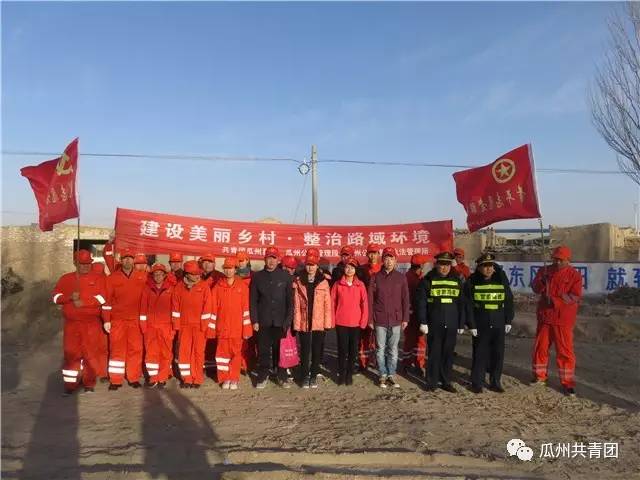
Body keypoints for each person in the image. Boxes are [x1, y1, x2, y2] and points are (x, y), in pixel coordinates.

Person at [52, 249, 107, 395]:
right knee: (71, 354)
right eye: (82, 264)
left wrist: (84, 302)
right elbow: (55, 297)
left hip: (91, 324)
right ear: (75, 263)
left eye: (88, 263)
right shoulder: (65, 279)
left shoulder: (99, 278)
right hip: (72, 325)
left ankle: (89, 383)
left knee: (90, 354)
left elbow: (103, 297)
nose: (85, 266)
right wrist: (69, 297)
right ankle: (70, 384)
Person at [531, 246, 582, 396]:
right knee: (540, 348)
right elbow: (535, 288)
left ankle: (567, 382)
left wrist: (556, 301)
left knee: (565, 351)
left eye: (561, 260)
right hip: (545, 317)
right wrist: (542, 281)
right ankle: (539, 377)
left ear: (568, 260)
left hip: (563, 319)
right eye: (555, 259)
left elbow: (575, 296)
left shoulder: (574, 275)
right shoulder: (544, 271)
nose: (557, 262)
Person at [416, 251, 468, 393]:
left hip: (451, 323)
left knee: (448, 353)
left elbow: (461, 303)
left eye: (447, 265)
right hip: (434, 323)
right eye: (442, 264)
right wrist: (423, 321)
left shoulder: (457, 280)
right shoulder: (428, 280)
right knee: (434, 353)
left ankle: (446, 381)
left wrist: (461, 323)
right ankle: (432, 382)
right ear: (436, 264)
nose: (444, 268)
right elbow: (421, 302)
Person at [464, 253, 514, 393]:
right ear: (479, 267)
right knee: (480, 354)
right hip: (481, 322)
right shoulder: (472, 281)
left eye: (491, 266)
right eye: (485, 266)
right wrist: (471, 324)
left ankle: (495, 382)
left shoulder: (500, 279)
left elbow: (508, 299)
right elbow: (468, 305)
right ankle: (477, 383)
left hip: (498, 321)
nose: (488, 269)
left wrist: (508, 320)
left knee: (498, 354)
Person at [102, 248, 148, 390]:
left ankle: (133, 377)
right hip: (118, 320)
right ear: (121, 260)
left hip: (135, 321)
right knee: (117, 350)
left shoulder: (143, 277)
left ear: (134, 260)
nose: (128, 260)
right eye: (125, 258)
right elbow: (107, 301)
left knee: (136, 349)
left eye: (130, 258)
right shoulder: (112, 278)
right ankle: (116, 380)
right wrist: (106, 320)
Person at [249, 247, 294, 389]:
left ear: (278, 260)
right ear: (264, 259)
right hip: (264, 320)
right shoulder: (257, 277)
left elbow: (290, 301)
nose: (271, 261)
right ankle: (263, 375)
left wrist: (288, 320)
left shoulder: (285, 276)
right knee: (263, 350)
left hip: (280, 321)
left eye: (274, 258)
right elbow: (253, 300)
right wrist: (255, 320)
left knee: (279, 350)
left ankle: (281, 375)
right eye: (269, 258)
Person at [368, 247, 410, 389]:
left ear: (395, 260)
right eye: (386, 258)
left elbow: (405, 299)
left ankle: (391, 373)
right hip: (380, 319)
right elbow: (370, 299)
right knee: (380, 349)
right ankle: (382, 373)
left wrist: (405, 318)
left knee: (393, 349)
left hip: (396, 319)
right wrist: (370, 319)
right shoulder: (375, 277)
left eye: (391, 258)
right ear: (382, 260)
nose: (389, 261)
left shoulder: (401, 277)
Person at [210, 257, 253, 390]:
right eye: (226, 268)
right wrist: (211, 328)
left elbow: (246, 310)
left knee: (236, 354)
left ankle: (234, 378)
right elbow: (212, 309)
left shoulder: (242, 287)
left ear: (235, 269)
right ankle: (224, 378)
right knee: (222, 355)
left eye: (231, 268)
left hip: (237, 329)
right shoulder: (217, 287)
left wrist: (247, 329)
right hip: (222, 328)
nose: (228, 271)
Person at [293, 253, 333, 388]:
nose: (310, 268)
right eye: (308, 265)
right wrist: (297, 323)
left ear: (317, 266)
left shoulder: (323, 281)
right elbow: (296, 305)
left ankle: (314, 375)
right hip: (304, 321)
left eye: (313, 265)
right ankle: (304, 376)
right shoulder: (299, 281)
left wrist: (327, 323)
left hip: (319, 322)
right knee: (305, 350)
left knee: (316, 350)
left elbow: (327, 304)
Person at [172, 260, 213, 389]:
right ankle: (187, 379)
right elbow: (175, 308)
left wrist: (204, 326)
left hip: (199, 327)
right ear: (186, 274)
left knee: (198, 353)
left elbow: (208, 308)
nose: (196, 276)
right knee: (183, 353)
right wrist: (176, 326)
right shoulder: (178, 287)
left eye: (197, 273)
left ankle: (197, 378)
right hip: (184, 327)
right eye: (193, 273)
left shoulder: (204, 287)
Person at [331, 256, 368, 386]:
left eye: (352, 267)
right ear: (344, 268)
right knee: (342, 350)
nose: (349, 270)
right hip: (341, 322)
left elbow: (364, 304)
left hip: (356, 323)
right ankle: (341, 374)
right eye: (347, 267)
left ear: (356, 270)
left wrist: (363, 321)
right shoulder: (337, 284)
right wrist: (332, 320)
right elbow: (332, 303)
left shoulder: (360, 285)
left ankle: (349, 374)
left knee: (353, 351)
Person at [139, 263, 175, 388]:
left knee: (166, 353)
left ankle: (162, 377)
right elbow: (143, 310)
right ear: (152, 276)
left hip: (166, 327)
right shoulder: (147, 289)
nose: (158, 276)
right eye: (155, 274)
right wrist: (143, 327)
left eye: (160, 274)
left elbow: (175, 310)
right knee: (151, 353)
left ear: (165, 275)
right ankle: (153, 378)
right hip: (150, 327)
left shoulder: (171, 289)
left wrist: (173, 328)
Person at [357, 243, 382, 373]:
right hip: (365, 307)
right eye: (370, 253)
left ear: (379, 254)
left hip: (379, 308)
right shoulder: (361, 270)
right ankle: (363, 362)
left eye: (375, 253)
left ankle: (377, 361)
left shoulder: (383, 269)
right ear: (367, 254)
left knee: (379, 336)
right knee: (364, 336)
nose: (373, 255)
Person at [401, 254, 429, 374]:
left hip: (412, 314)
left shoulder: (408, 276)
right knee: (418, 340)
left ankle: (407, 364)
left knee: (411, 340)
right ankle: (417, 364)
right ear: (421, 265)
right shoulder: (413, 278)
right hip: (414, 315)